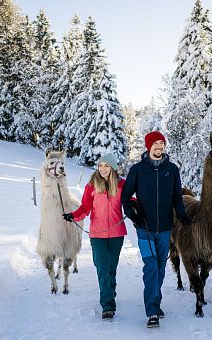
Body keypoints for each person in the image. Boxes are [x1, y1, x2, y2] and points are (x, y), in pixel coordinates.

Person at [121, 131, 191, 328]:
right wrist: (132, 214)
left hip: (165, 227)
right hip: (144, 226)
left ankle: (155, 299)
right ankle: (152, 311)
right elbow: (126, 196)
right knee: (150, 265)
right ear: (148, 146)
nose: (159, 147)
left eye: (162, 143)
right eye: (156, 144)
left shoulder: (172, 169)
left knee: (160, 267)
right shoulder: (138, 169)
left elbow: (177, 196)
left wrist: (182, 215)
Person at [63, 153, 126, 320]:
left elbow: (131, 201)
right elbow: (85, 208)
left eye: (106, 166)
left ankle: (109, 292)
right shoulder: (91, 185)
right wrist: (73, 215)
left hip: (117, 233)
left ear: (112, 168)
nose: (103, 169)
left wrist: (137, 208)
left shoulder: (122, 185)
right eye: (100, 165)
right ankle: (107, 305)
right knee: (101, 267)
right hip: (97, 234)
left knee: (111, 268)